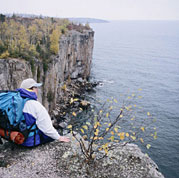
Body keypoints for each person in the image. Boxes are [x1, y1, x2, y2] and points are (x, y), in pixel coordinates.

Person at [18, 78, 70, 147]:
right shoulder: (35, 105)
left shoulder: (15, 102)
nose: (37, 90)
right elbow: (47, 128)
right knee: (50, 136)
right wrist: (59, 137)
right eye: (35, 87)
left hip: (16, 138)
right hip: (29, 142)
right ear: (31, 89)